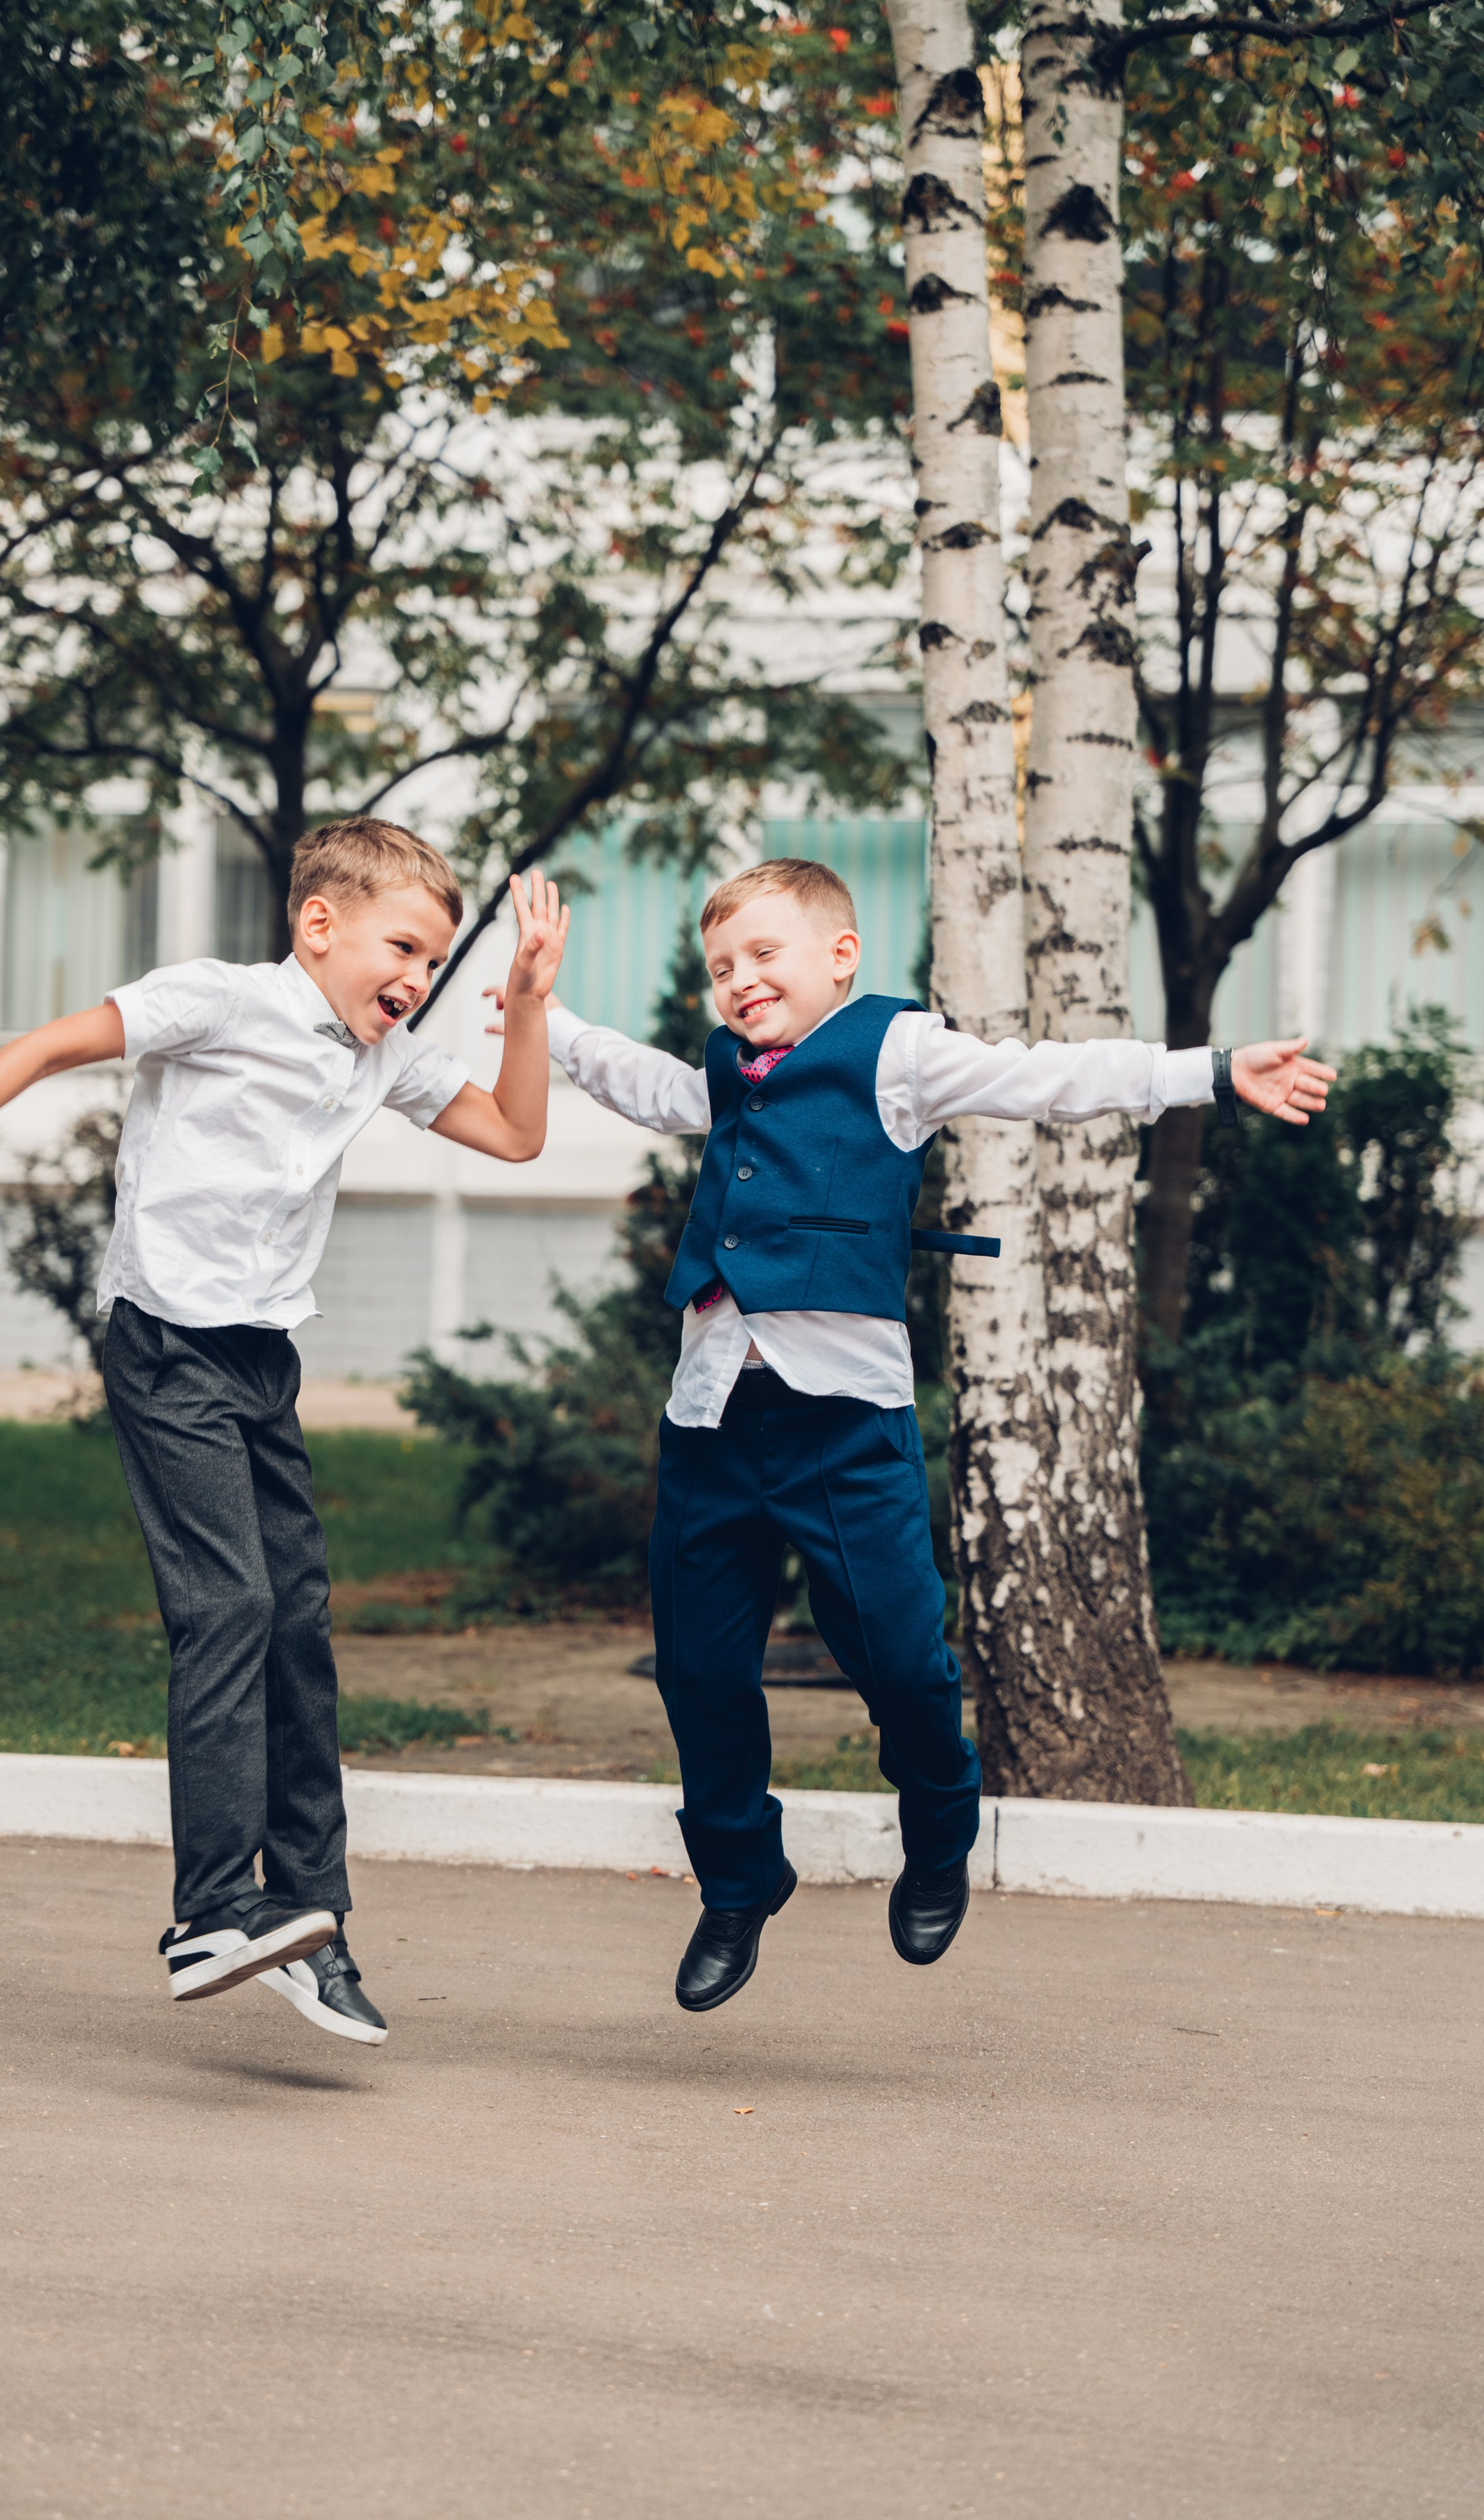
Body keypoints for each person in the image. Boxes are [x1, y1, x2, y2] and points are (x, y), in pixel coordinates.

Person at [511, 854, 1332, 2014]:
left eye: (764, 955)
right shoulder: (725, 1074)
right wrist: (542, 1007)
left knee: (899, 1658)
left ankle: (941, 1824)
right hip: (710, 1419)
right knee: (700, 1671)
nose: (739, 981)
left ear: (838, 955)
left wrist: (1208, 1069)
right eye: (720, 968)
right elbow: (636, 1082)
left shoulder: (893, 1052)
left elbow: (1045, 1077)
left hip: (843, 1426)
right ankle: (741, 1876)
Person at [0, 819, 570, 2046]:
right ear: (318, 924)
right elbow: (54, 1043)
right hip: (164, 1340)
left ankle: (311, 1918)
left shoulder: (383, 1051)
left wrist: (524, 1004)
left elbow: (516, 1132)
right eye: (403, 950)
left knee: (301, 1622)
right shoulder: (217, 1001)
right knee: (229, 1607)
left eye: (435, 962)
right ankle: (212, 1906)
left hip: (261, 1357)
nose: (418, 980)